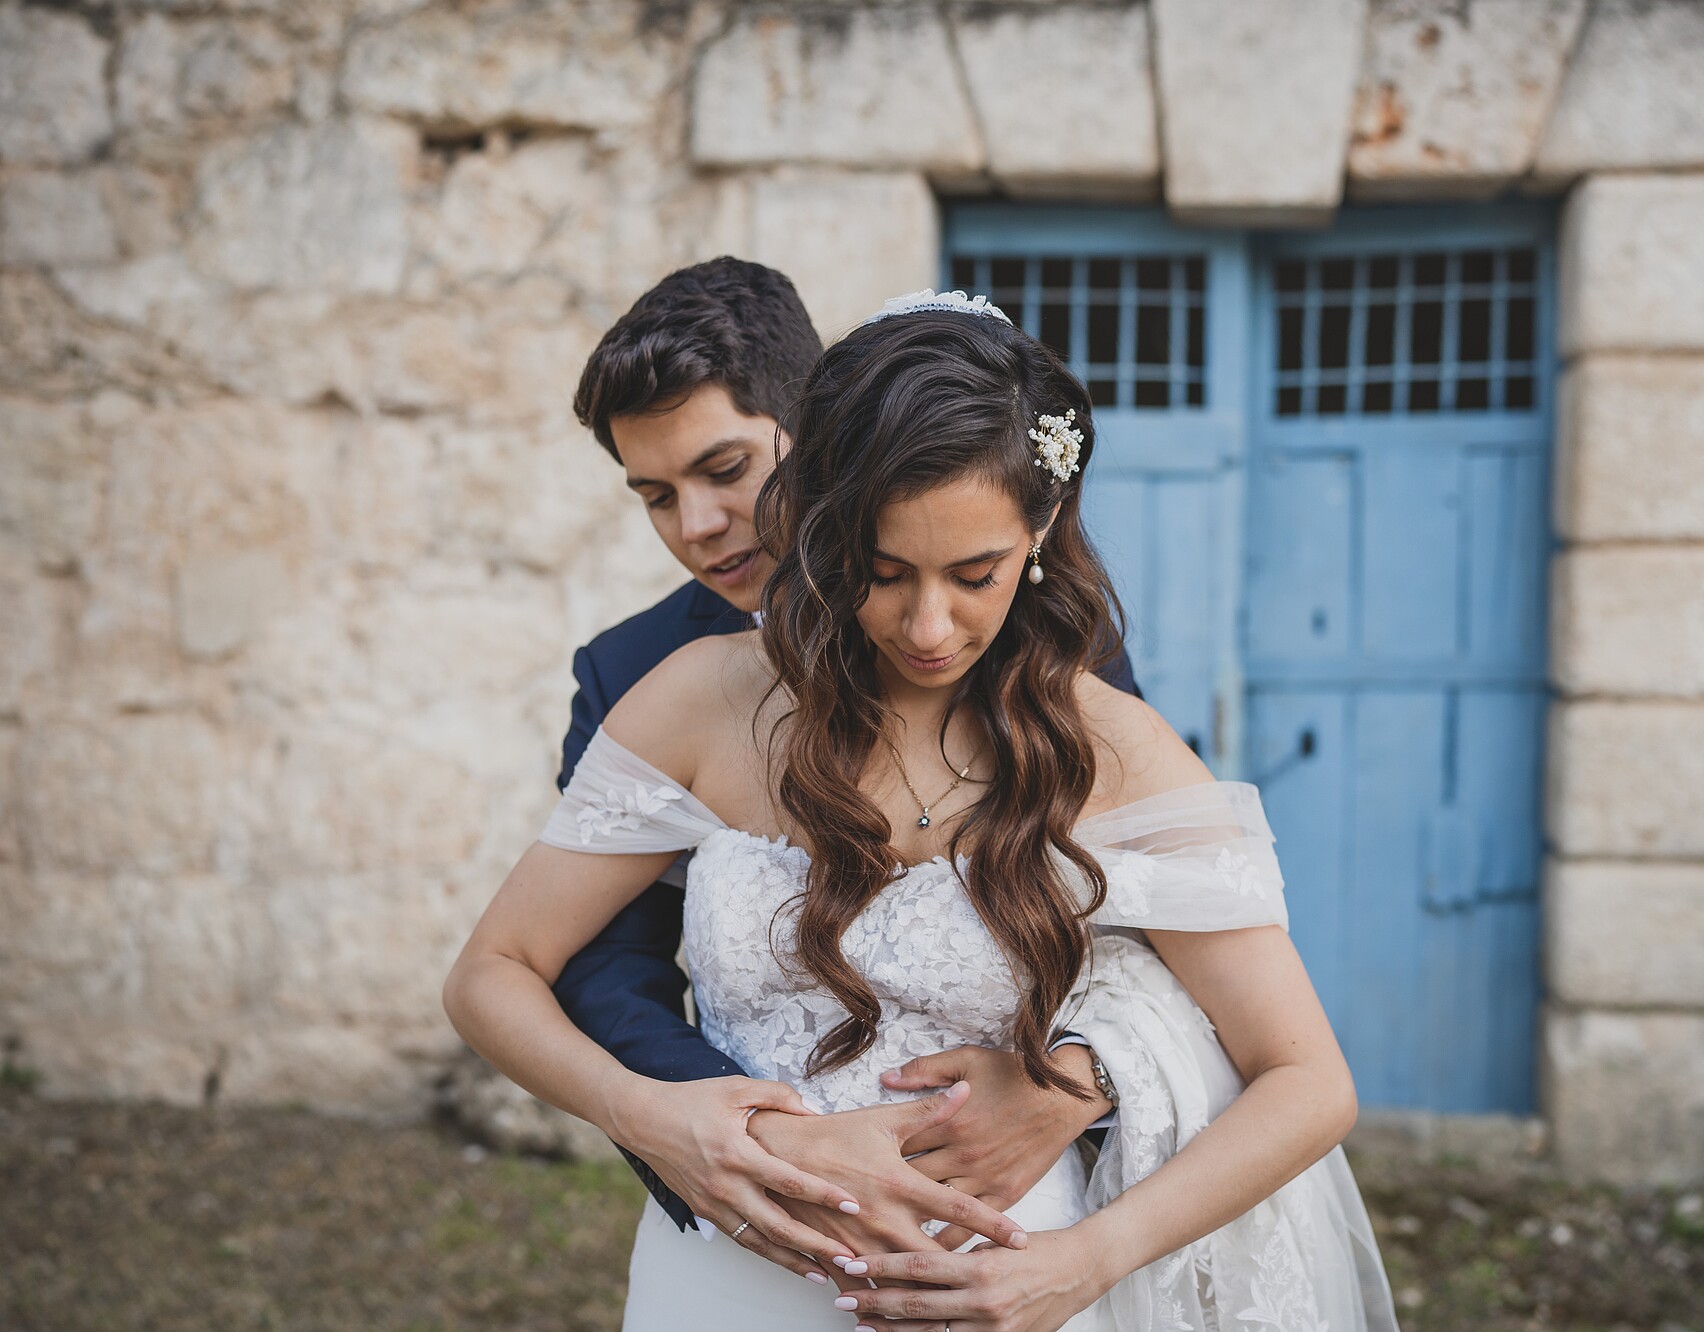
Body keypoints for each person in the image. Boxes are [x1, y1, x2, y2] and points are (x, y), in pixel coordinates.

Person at [446, 291, 1397, 1329]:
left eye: (974, 575)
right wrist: (653, 1113)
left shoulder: (1106, 740)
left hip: (1008, 1282)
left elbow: (1305, 1077)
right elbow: (499, 971)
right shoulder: (691, 696)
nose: (929, 626)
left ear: (1036, 532)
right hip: (726, 1275)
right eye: (881, 573)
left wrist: (1083, 1256)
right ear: (824, 530)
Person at [546, 258, 1144, 1281]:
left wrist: (1079, 1080)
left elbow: (1160, 894)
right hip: (758, 1214)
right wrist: (749, 1133)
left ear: (815, 433)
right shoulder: (635, 674)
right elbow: (602, 960)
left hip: (991, 1208)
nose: (694, 526)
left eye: (725, 470)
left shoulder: (1020, 628)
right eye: (654, 494)